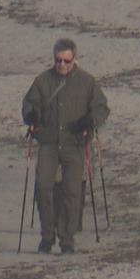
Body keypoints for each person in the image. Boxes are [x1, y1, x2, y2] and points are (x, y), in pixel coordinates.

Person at [22, 38, 109, 254]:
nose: (61, 64)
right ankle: (47, 236)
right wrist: (30, 116)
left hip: (75, 144)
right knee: (43, 187)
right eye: (58, 60)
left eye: (66, 61)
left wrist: (91, 121)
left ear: (74, 59)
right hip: (48, 142)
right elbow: (29, 104)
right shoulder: (42, 81)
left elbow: (101, 108)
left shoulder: (87, 81)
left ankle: (67, 239)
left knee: (72, 192)